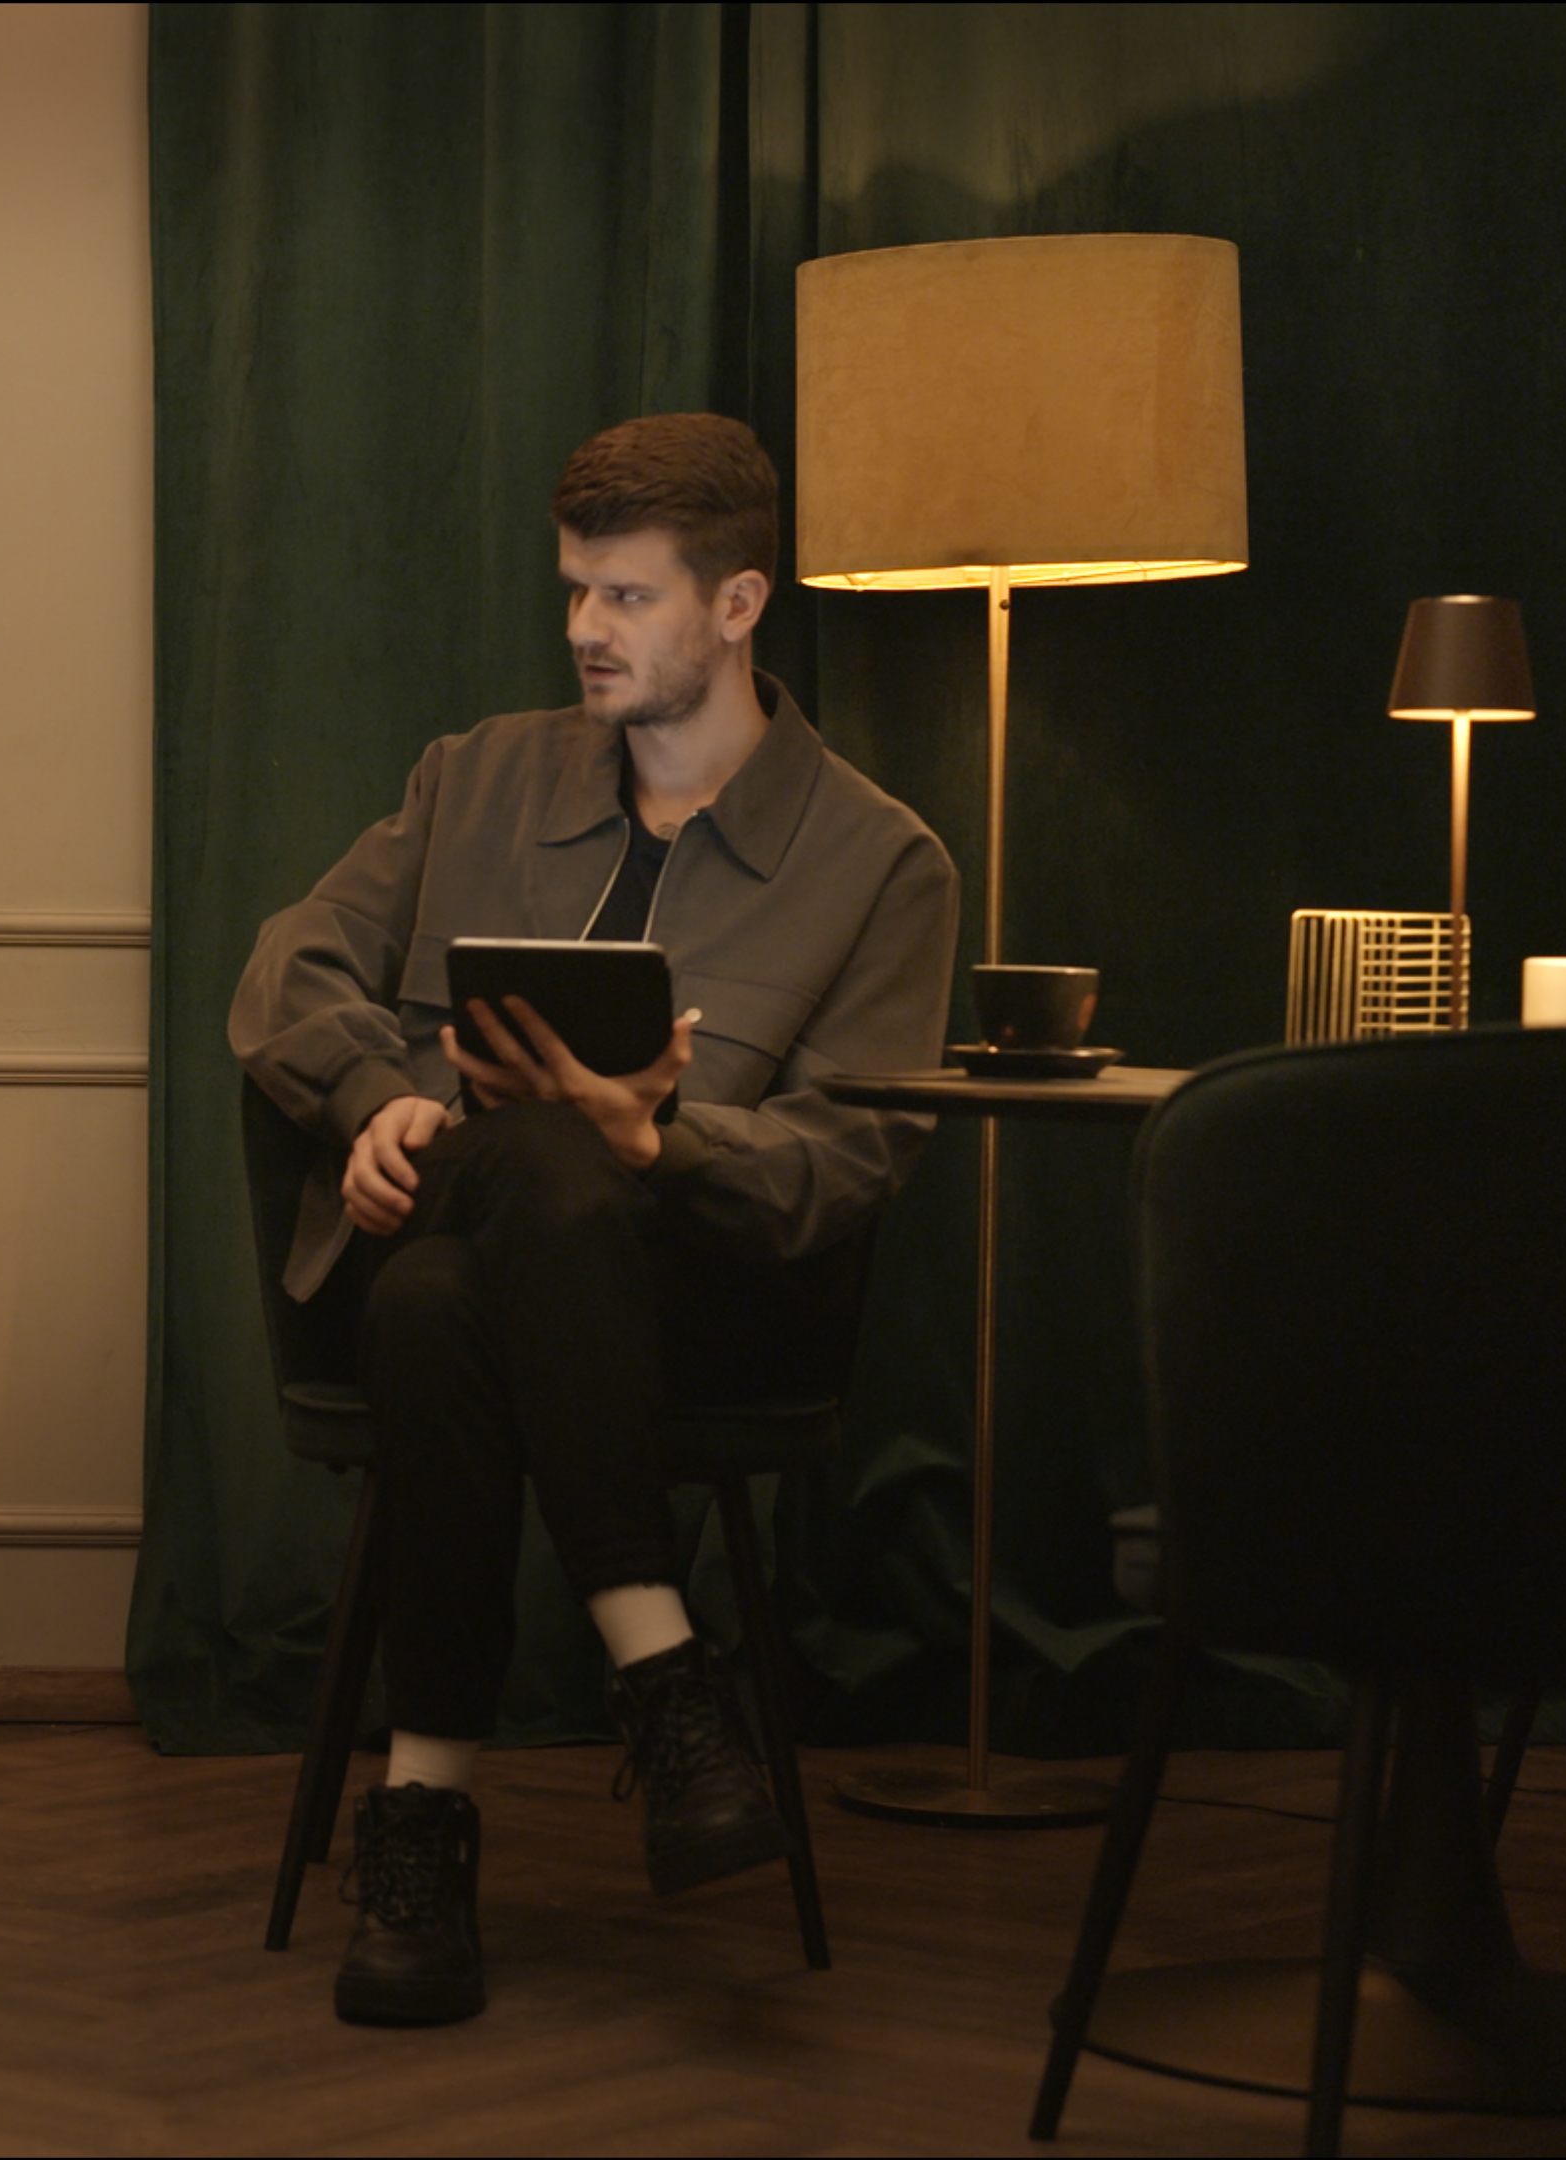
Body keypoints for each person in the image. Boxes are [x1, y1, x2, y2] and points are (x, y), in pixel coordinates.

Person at [227, 414, 954, 2027]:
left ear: (739, 603)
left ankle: (421, 1822)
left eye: (626, 597)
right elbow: (289, 971)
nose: (583, 629)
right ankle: (665, 1675)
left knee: (457, 1285)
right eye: (575, 590)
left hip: (691, 1305)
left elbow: (851, 1161)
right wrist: (377, 1100)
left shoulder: (882, 860)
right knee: (521, 1174)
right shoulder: (474, 775)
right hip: (441, 1207)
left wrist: (664, 1139)